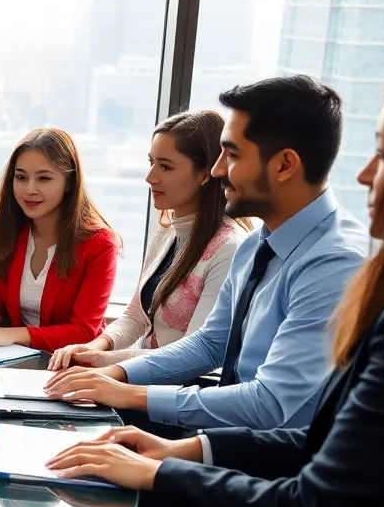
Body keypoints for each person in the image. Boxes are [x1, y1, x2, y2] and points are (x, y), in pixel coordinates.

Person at [15, 62, 384, 507]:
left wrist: (163, 465)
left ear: (284, 164)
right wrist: (175, 444)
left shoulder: (381, 292)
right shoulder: (265, 245)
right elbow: (307, 433)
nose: (368, 174)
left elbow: (305, 480)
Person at [45, 76, 369, 433]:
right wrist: (113, 373)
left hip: (275, 468)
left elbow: (270, 404)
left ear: (284, 165)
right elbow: (210, 344)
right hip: (226, 441)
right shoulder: (257, 245)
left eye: (231, 155)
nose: (217, 171)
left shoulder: (334, 263)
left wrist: (131, 395)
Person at [48, 111, 250, 371]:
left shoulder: (230, 248)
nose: (150, 177)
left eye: (165, 166)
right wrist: (95, 346)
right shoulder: (167, 231)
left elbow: (194, 353)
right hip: (135, 378)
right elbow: (135, 317)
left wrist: (104, 362)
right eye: (151, 162)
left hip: (174, 392)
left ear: (205, 173)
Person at [0, 127, 119, 352]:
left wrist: (10, 334)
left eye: (44, 178)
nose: (29, 190)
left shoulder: (99, 243)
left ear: (70, 182)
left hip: (72, 362)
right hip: (12, 358)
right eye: (21, 177)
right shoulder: (0, 230)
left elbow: (84, 331)